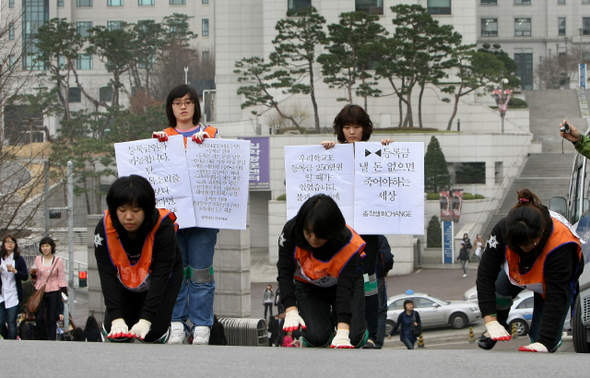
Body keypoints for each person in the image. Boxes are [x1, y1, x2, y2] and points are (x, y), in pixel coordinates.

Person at [321, 104, 393, 349]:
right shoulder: (334, 152)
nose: (352, 131)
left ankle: (371, 334)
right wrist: (327, 152)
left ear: (365, 128)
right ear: (340, 129)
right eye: (347, 127)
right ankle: (338, 330)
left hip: (368, 229)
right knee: (338, 279)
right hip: (339, 230)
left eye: (357, 126)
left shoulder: (377, 151)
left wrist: (389, 149)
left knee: (368, 281)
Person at [152, 84, 220, 345]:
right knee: (175, 273)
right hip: (172, 220)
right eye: (177, 102)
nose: (183, 106)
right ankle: (176, 322)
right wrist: (157, 148)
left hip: (204, 218)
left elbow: (225, 173)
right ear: (171, 107)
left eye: (188, 102)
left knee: (202, 272)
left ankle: (202, 324)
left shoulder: (212, 134)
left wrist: (209, 147)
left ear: (196, 106)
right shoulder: (160, 138)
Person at [476, 188, 583, 353]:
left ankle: (544, 342)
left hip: (550, 283)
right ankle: (500, 323)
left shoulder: (562, 244)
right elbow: (485, 274)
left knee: (542, 339)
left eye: (528, 244)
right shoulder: (502, 228)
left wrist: (544, 342)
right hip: (518, 272)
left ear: (541, 233)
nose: (523, 249)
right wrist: (491, 320)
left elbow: (557, 296)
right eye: (518, 245)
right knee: (498, 289)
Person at [94, 175, 183, 343]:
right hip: (125, 279)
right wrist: (116, 318)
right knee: (118, 334)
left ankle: (157, 327)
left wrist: (145, 320)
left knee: (151, 334)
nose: (128, 217)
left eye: (135, 211)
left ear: (147, 209)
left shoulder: (164, 228)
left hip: (160, 279)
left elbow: (161, 275)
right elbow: (106, 274)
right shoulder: (103, 229)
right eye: (122, 210)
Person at [277, 194, 367, 348]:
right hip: (308, 285)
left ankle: (345, 329)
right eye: (308, 232)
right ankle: (324, 327)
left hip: (342, 284)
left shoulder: (349, 243)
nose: (313, 238)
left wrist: (343, 332)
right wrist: (290, 309)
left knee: (354, 337)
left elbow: (345, 290)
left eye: (319, 234)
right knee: (316, 338)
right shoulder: (291, 232)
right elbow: (284, 272)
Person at [31, 236, 67, 340]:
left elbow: (61, 278)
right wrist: (32, 274)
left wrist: (64, 294)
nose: (45, 248)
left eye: (47, 246)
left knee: (51, 319)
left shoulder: (58, 261)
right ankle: (41, 339)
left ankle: (51, 341)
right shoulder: (38, 259)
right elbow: (35, 278)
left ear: (51, 247)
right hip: (40, 290)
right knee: (39, 318)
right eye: (43, 246)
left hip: (54, 290)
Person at [0, 235, 28, 339]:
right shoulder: (0, 258)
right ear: (4, 244)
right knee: (0, 321)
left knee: (11, 321)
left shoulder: (19, 259)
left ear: (15, 245)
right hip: (1, 294)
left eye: (12, 242)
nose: (9, 244)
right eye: (7, 242)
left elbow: (25, 276)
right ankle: (6, 338)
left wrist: (15, 271)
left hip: (13, 294)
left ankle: (11, 343)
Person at [374, 235, 394, 349]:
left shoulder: (355, 235)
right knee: (380, 311)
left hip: (359, 277)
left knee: (361, 308)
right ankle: (377, 342)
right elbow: (387, 258)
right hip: (377, 277)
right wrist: (385, 269)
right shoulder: (380, 238)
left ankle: (363, 338)